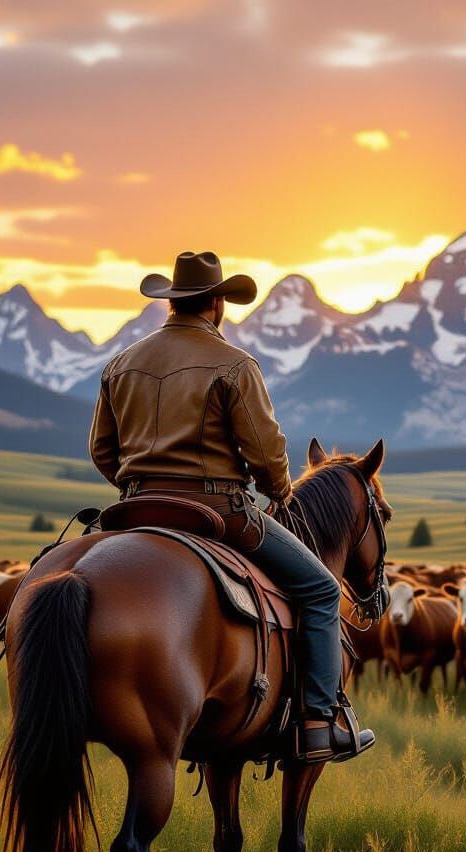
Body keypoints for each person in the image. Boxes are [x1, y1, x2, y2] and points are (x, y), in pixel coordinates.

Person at [88, 250, 374, 763]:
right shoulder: (235, 365)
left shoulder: (120, 363)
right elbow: (267, 454)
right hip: (221, 512)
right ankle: (316, 722)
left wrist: (139, 486)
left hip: (135, 506)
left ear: (173, 302)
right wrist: (281, 490)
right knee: (321, 590)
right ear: (218, 303)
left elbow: (103, 453)